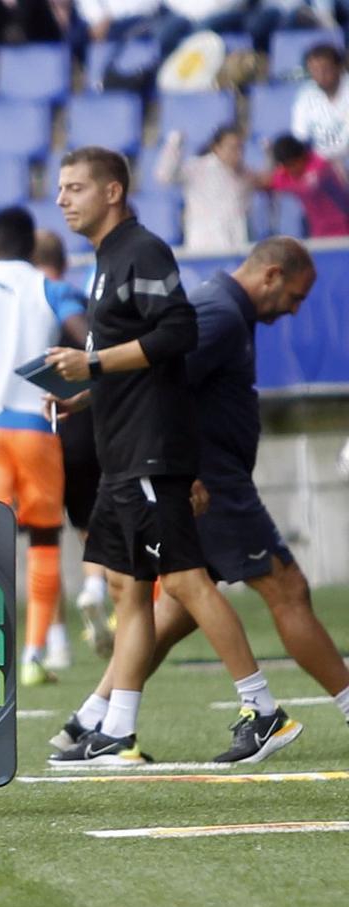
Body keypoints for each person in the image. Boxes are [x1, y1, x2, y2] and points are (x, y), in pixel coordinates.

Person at [44, 145, 299, 766]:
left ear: (112, 192)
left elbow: (176, 333)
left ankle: (262, 708)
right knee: (131, 591)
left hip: (153, 453)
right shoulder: (104, 261)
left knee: (185, 580)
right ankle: (116, 731)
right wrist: (89, 394)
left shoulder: (143, 250)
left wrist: (96, 363)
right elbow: (139, 356)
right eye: (61, 188)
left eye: (75, 187)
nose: (62, 199)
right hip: (124, 447)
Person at [55, 237, 349, 752]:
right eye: (296, 296)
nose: (295, 310)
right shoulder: (219, 314)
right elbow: (161, 383)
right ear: (272, 275)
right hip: (208, 482)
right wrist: (184, 469)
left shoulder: (223, 309)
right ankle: (276, 709)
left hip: (194, 474)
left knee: (177, 604)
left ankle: (96, 717)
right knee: (286, 589)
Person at [0, 206, 86, 687]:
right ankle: (33, 654)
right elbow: (85, 337)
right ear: (31, 245)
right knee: (44, 541)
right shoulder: (49, 287)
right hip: (36, 426)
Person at [32, 228, 112, 660]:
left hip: (34, 425)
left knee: (43, 537)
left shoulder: (25, 296)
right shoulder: (70, 296)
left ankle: (53, 642)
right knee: (90, 523)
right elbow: (92, 348)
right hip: (79, 420)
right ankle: (96, 586)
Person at [154, 125, 255, 252]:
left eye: (241, 148)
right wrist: (174, 145)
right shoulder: (198, 168)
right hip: (204, 248)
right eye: (232, 148)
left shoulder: (246, 174)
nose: (238, 153)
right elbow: (164, 176)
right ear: (216, 148)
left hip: (236, 247)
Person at [266, 133, 349, 238]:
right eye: (286, 167)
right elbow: (270, 181)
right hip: (320, 235)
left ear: (302, 157)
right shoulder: (286, 173)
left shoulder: (320, 165)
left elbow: (309, 185)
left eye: (292, 165)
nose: (290, 170)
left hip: (344, 230)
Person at [290, 44, 349, 167]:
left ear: (339, 67)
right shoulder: (305, 95)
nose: (321, 75)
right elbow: (300, 136)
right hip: (319, 166)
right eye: (315, 70)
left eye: (326, 69)